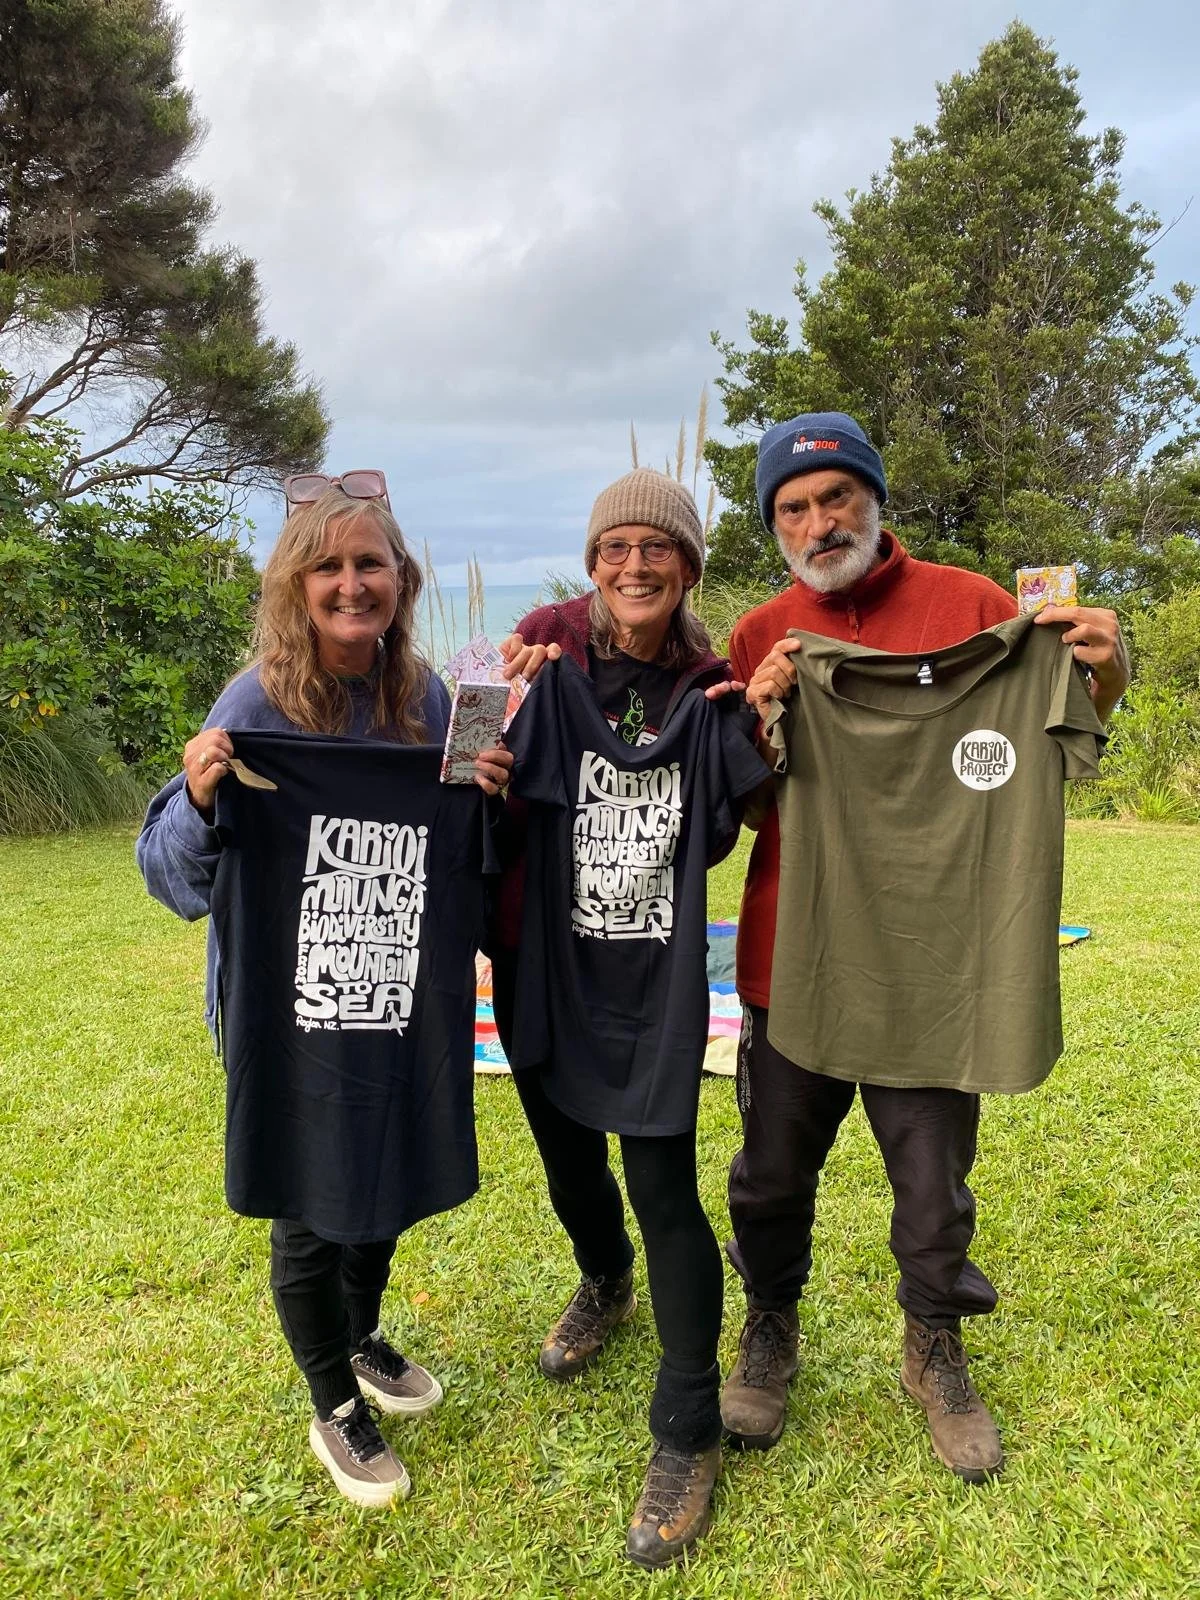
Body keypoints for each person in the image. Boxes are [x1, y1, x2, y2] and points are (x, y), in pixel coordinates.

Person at [719, 413, 1130, 1481]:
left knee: (934, 1182)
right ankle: (769, 1322)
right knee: (769, 1175)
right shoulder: (762, 634)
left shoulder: (984, 609)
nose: (821, 520)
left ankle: (932, 1342)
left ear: (874, 497)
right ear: (775, 525)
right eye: (795, 507)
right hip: (792, 957)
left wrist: (1107, 669)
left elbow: (1070, 732)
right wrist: (753, 723)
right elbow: (751, 807)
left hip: (942, 963)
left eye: (838, 495)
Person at [136, 478, 512, 1507]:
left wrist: (486, 798)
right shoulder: (256, 700)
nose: (352, 584)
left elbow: (473, 865)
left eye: (370, 564)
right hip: (289, 1010)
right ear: (297, 585)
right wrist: (205, 796)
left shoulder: (435, 701)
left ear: (401, 581)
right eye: (329, 566)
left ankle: (359, 1340)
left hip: (397, 1006)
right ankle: (329, 1401)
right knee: (312, 1208)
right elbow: (169, 872)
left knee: (381, 1186)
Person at [493, 468, 762, 1569]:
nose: (634, 567)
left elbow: (720, 831)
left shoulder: (710, 685)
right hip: (539, 962)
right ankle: (603, 1280)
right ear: (593, 559)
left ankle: (687, 1426)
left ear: (688, 566)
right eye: (616, 549)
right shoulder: (544, 649)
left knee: (664, 1186)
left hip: (649, 985)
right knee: (565, 1159)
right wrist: (502, 711)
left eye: (659, 550)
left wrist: (759, 724)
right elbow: (478, 766)